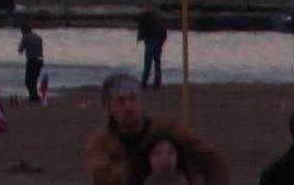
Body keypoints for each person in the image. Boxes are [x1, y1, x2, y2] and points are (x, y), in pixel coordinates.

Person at [85, 70, 233, 185]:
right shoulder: (100, 143)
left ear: (141, 101)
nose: (128, 106)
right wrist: (145, 165)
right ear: (109, 107)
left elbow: (213, 162)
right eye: (121, 101)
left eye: (133, 98)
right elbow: (103, 178)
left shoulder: (169, 131)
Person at [139, 5, 170, 89]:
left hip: (151, 42)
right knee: (156, 63)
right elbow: (163, 33)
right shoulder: (155, 19)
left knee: (148, 63)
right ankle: (156, 83)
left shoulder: (147, 19)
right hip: (156, 42)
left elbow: (138, 19)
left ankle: (144, 83)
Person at [22, 24, 49, 102]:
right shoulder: (38, 37)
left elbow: (20, 50)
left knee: (28, 81)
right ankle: (34, 97)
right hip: (40, 61)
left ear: (23, 31)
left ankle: (34, 98)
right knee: (34, 80)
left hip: (31, 60)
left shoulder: (25, 37)